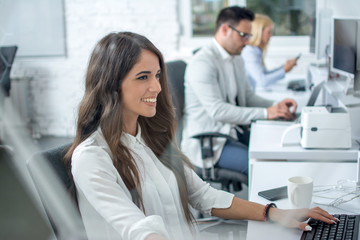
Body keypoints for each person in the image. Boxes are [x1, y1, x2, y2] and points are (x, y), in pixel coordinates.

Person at [64, 32, 336, 240]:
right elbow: (140, 229)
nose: (157, 87)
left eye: (157, 75)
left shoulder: (148, 136)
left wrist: (275, 213)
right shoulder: (92, 158)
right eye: (143, 77)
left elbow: (203, 195)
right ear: (111, 84)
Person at [181, 6, 297, 175]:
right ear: (225, 29)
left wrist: (276, 106)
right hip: (212, 142)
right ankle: (263, 203)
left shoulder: (236, 58)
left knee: (279, 151)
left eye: (248, 36)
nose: (247, 41)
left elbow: (248, 97)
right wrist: (266, 113)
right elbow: (218, 111)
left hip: (233, 132)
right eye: (243, 35)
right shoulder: (202, 63)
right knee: (265, 167)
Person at [242, 13, 298, 90]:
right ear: (258, 32)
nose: (271, 35)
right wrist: (284, 70)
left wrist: (283, 67)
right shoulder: (249, 52)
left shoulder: (256, 50)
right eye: (268, 32)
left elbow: (264, 74)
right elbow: (262, 81)